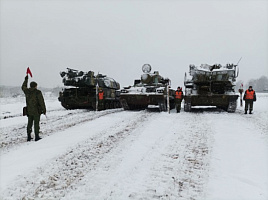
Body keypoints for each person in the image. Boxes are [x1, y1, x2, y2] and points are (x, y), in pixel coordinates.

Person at [21, 75, 46, 141]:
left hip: (29, 110)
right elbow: (41, 102)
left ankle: (29, 136)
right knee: (36, 123)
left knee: (29, 123)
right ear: (35, 86)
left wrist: (26, 80)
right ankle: (37, 136)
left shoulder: (27, 91)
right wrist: (44, 110)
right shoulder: (38, 92)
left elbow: (23, 87)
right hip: (36, 111)